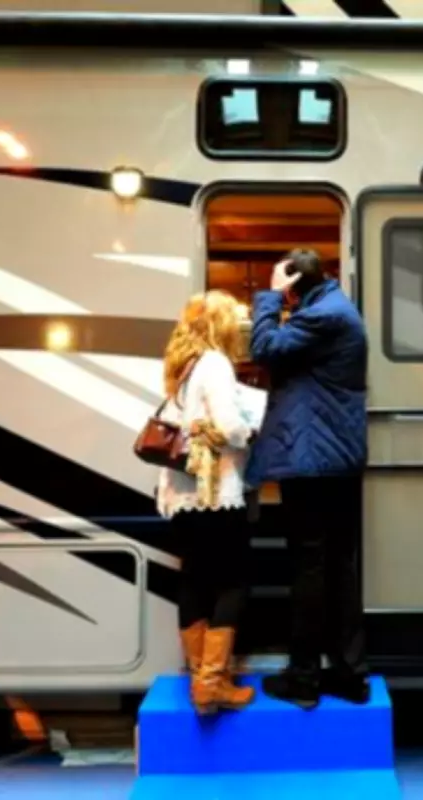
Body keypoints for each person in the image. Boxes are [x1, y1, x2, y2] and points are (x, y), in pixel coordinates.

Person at [246, 248, 369, 710]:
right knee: (338, 566)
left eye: (284, 284)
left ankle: (304, 680)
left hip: (313, 462)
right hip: (335, 461)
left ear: (294, 285)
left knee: (310, 567)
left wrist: (269, 297)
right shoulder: (337, 308)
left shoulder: (323, 316)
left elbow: (263, 349)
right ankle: (348, 674)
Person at [156, 290, 255, 715]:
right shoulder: (215, 363)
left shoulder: (181, 366)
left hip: (182, 495)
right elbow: (230, 426)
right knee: (233, 583)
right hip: (214, 493)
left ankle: (202, 679)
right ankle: (212, 684)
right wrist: (251, 430)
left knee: (194, 581)